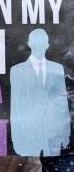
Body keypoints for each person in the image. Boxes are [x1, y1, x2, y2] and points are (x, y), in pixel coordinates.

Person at [10, 28, 70, 156]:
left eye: (43, 42)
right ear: (30, 44)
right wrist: (16, 138)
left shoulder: (57, 69)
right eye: (36, 42)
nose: (40, 46)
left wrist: (65, 134)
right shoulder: (17, 71)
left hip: (53, 136)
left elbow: (62, 104)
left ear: (47, 45)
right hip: (28, 137)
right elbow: (15, 106)